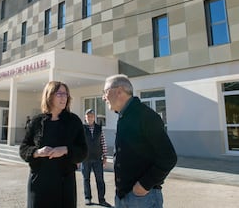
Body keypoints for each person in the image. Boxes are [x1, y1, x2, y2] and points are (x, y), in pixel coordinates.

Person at [102, 74, 177, 208]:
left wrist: (143, 185)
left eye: (105, 92)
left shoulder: (145, 116)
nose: (104, 97)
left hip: (141, 198)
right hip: (124, 196)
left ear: (119, 91)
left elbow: (168, 158)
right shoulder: (124, 116)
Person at [19, 81, 88, 208]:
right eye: (59, 94)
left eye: (66, 94)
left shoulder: (74, 121)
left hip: (64, 184)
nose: (64, 97)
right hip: (39, 184)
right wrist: (37, 152)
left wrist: (66, 150)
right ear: (49, 95)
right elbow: (23, 149)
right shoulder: (36, 121)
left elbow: (83, 151)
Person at [81, 109, 112, 207]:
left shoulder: (99, 128)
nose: (89, 118)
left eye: (91, 116)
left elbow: (103, 142)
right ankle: (88, 198)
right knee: (86, 179)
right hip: (85, 159)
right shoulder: (82, 128)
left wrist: (105, 156)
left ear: (94, 117)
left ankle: (102, 199)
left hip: (97, 158)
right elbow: (79, 144)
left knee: (100, 180)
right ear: (85, 117)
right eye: (88, 116)